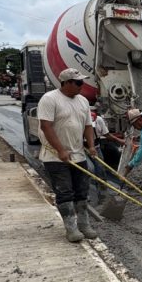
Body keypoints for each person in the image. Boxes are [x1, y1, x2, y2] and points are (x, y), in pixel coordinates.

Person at [38, 68, 98, 242]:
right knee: (65, 192)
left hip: (78, 155)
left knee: (82, 192)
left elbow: (88, 125)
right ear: (66, 83)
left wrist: (91, 146)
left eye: (82, 82)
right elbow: (46, 126)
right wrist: (61, 150)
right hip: (56, 158)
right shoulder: (50, 99)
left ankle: (84, 225)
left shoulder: (83, 101)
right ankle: (71, 228)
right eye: (78, 82)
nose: (82, 85)